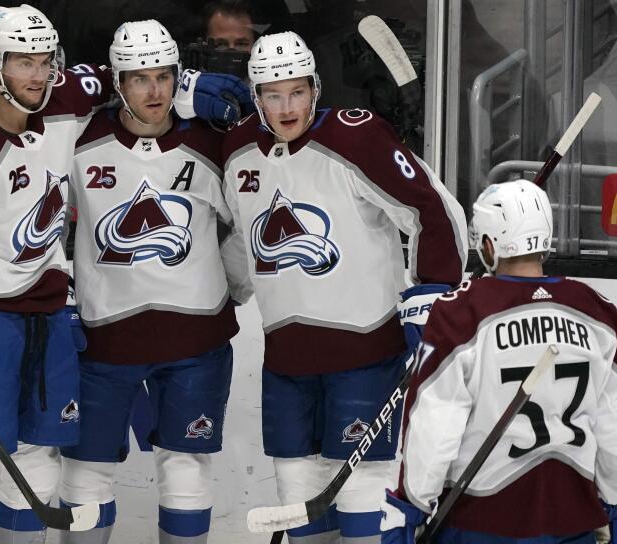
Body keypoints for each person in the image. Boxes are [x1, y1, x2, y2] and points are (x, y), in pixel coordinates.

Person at [0, 4, 249, 544]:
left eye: (44, 61)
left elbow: (123, 74)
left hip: (49, 317)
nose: (37, 75)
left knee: (38, 472)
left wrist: (191, 85)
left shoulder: (65, 98)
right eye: (22, 63)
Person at [222, 31, 468, 544]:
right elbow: (240, 245)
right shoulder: (238, 151)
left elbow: (432, 211)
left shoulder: (356, 138)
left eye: (297, 91)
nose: (287, 107)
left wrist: (431, 300)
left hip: (365, 357)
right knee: (297, 494)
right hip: (286, 362)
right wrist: (217, 305)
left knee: (362, 497)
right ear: (256, 96)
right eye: (273, 94)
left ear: (315, 87)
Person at [58, 19, 240, 544]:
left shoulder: (213, 144)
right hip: (101, 339)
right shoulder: (79, 141)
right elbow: (47, 224)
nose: (155, 90)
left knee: (185, 470)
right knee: (84, 471)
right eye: (139, 78)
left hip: (196, 340)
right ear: (117, 83)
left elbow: (248, 226)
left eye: (165, 76)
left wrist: (233, 290)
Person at [382, 179, 617, 544]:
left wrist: (410, 506)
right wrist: (614, 503)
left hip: (481, 521)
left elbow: (435, 423)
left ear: (489, 245)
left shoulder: (462, 312)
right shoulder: (596, 311)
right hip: (573, 519)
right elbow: (612, 423)